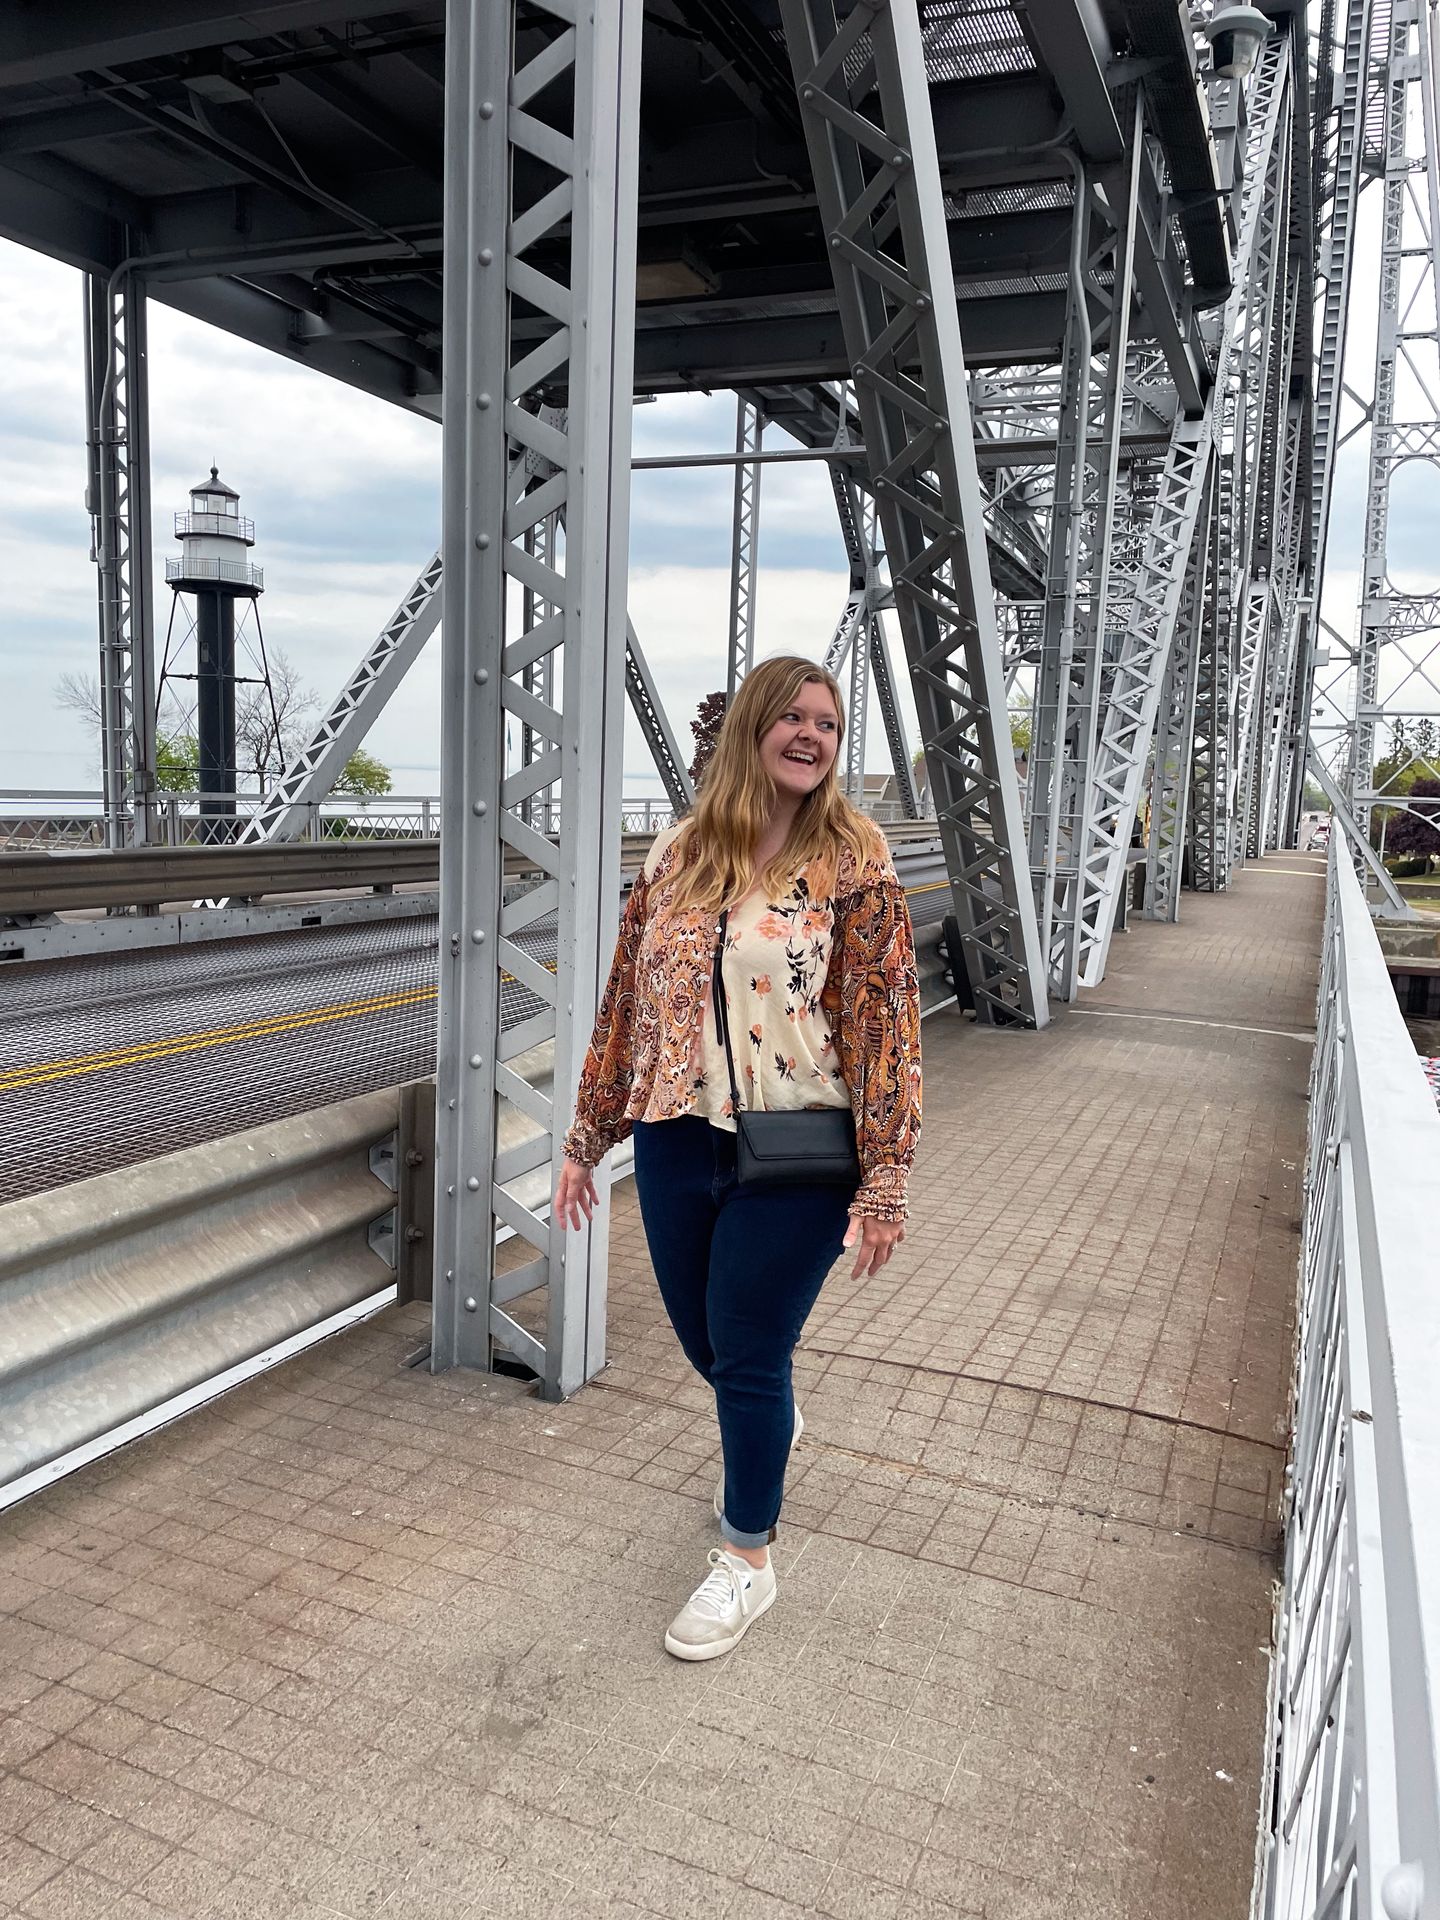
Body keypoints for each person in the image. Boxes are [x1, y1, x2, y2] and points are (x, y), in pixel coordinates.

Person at [554, 655, 923, 1660]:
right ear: (754, 727)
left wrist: (886, 1176)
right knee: (708, 1348)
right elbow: (626, 1002)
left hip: (799, 1142)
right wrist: (588, 1136)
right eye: (793, 717)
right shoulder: (678, 855)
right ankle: (769, 1423)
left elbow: (886, 1020)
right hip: (675, 1134)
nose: (812, 736)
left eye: (828, 724)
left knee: (750, 1352)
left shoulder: (853, 857)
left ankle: (747, 1559)